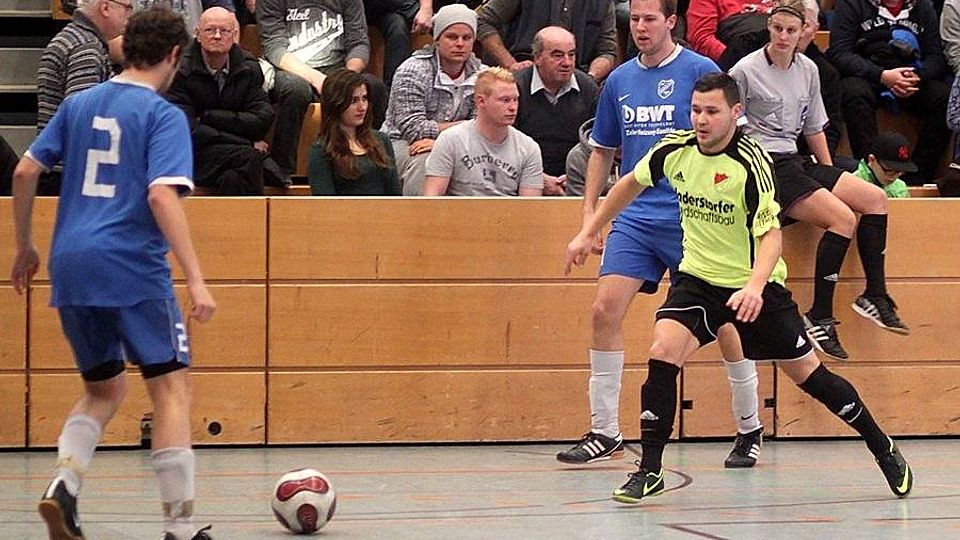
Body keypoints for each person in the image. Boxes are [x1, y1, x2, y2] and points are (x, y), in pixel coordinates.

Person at [565, 71, 913, 504]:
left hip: (756, 288)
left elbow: (771, 236)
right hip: (697, 281)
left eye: (711, 111)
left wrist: (753, 287)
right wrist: (588, 230)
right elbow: (630, 183)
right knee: (662, 352)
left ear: (735, 113)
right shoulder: (674, 150)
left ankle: (881, 445)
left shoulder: (751, 163)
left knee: (811, 376)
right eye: (695, 110)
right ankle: (650, 470)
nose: (701, 120)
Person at [10, 7, 217, 540]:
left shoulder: (79, 104)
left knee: (103, 389)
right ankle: (180, 527)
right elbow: (160, 195)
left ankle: (64, 484)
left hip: (70, 263)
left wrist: (24, 245)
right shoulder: (163, 115)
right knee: (171, 389)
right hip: (130, 264)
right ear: (175, 55)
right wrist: (195, 277)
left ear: (125, 47)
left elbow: (25, 170)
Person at [556, 0, 765, 470]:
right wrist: (590, 218)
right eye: (634, 20)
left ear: (671, 22)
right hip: (637, 215)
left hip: (695, 215)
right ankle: (605, 430)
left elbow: (736, 141)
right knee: (604, 309)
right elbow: (602, 150)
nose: (640, 27)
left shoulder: (701, 70)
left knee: (725, 323)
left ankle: (749, 425)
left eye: (650, 19)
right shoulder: (619, 80)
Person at [730, 0, 908, 362]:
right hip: (764, 164)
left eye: (790, 30)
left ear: (803, 33)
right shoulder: (745, 69)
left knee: (874, 199)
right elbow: (731, 126)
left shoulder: (809, 69)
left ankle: (874, 294)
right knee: (842, 219)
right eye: (777, 29)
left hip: (796, 159)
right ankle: (820, 316)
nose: (783, 36)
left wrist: (830, 177)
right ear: (769, 28)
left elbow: (814, 128)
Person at [256, 0, 389, 183]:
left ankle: (372, 164)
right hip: (291, 69)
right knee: (295, 90)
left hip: (338, 68)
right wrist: (316, 78)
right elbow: (274, 47)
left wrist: (346, 78)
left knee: (375, 88)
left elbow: (358, 43)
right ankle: (282, 170)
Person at [828, 0, 950, 184]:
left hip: (910, 78)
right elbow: (839, 53)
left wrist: (916, 76)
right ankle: (871, 176)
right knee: (853, 92)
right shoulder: (851, 4)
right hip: (869, 77)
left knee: (943, 97)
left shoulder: (923, 6)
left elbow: (936, 56)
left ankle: (919, 178)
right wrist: (881, 75)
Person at [167, 6, 275, 195]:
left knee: (233, 178)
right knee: (249, 157)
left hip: (231, 156)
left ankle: (229, 215)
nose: (217, 36)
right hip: (191, 154)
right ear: (198, 34)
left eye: (224, 31)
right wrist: (246, 142)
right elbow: (187, 129)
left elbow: (262, 120)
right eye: (210, 30)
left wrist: (209, 116)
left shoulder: (248, 67)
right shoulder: (180, 70)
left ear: (234, 35)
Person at [381, 3, 486, 196]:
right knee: (428, 161)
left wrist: (443, 142)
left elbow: (486, 126)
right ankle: (421, 215)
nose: (460, 43)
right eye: (452, 37)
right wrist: (466, 128)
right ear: (437, 39)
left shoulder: (483, 75)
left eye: (467, 38)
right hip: (401, 143)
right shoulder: (412, 70)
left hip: (459, 143)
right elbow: (414, 129)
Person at [37, 0, 132, 195]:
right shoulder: (86, 48)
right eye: (127, 8)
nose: (130, 16)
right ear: (105, 8)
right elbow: (82, 122)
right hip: (72, 176)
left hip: (61, 170)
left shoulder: (74, 37)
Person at [422, 67, 544, 196]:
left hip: (507, 208)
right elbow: (432, 198)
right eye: (505, 100)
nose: (513, 107)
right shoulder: (451, 140)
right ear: (481, 101)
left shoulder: (528, 148)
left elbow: (530, 204)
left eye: (516, 100)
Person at [514, 26, 600, 196]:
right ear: (537, 58)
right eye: (558, 55)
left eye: (571, 54)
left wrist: (576, 176)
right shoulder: (515, 87)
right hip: (524, 180)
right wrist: (538, 178)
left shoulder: (588, 88)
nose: (567, 62)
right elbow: (506, 146)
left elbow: (597, 142)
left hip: (575, 180)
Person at [308, 68, 402, 195]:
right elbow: (325, 202)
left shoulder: (382, 140)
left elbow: (395, 195)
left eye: (364, 98)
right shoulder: (321, 150)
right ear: (336, 103)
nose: (362, 107)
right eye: (353, 101)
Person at [475, 0, 617, 82]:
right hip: (522, 76)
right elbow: (483, 21)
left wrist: (588, 79)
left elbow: (607, 52)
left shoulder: (603, 3)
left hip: (576, 80)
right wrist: (510, 64)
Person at [852, 132, 916, 198]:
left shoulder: (900, 188)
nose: (894, 177)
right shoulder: (852, 185)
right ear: (872, 159)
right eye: (890, 171)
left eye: (900, 171)